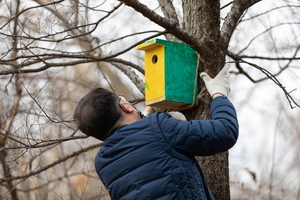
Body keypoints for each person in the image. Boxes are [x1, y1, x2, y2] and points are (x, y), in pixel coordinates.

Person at [74, 64, 239, 200]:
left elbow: (141, 154)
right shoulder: (158, 127)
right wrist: (219, 94)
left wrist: (146, 116)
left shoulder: (103, 163)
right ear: (125, 106)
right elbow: (225, 132)